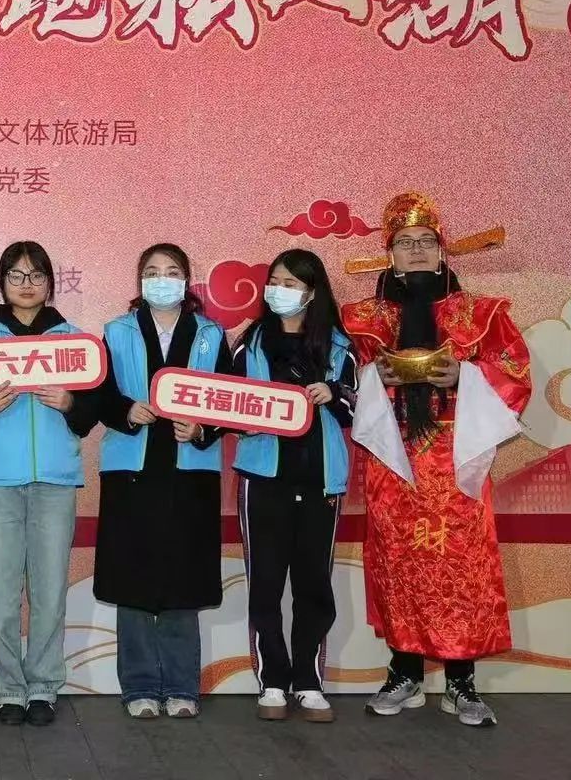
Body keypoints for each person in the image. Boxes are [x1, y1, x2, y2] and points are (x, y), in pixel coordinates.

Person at [342, 192, 530, 728]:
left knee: (460, 567)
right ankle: (403, 673)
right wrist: (373, 378)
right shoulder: (362, 319)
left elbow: (515, 372)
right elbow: (339, 382)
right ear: (390, 253)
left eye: (427, 241)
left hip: (457, 461)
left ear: (443, 250)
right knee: (398, 563)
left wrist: (464, 377)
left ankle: (460, 682)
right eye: (405, 243)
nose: (418, 250)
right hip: (394, 460)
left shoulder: (480, 314)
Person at [87, 243, 231, 720]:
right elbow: (99, 394)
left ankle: (183, 686)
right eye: (152, 271)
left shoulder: (211, 333)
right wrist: (126, 411)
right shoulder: (116, 331)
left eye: (171, 271)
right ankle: (140, 687)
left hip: (190, 472)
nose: (162, 279)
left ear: (186, 280)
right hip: (132, 469)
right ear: (139, 281)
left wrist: (204, 430)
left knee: (183, 578)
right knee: (132, 580)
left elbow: (230, 399)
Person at [0, 241, 97, 727]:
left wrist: (70, 403)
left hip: (55, 482)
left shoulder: (75, 342)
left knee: (49, 594)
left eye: (36, 275)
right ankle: (7, 689)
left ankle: (43, 686)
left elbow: (91, 414)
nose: (26, 284)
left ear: (50, 283)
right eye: (16, 276)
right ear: (1, 283)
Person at [228, 249, 357, 723]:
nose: (279, 290)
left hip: (320, 479)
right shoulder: (249, 342)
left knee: (313, 583)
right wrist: (243, 420)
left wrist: (333, 394)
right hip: (264, 479)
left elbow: (358, 406)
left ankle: (308, 680)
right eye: (274, 281)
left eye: (290, 283)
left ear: (312, 291)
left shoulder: (339, 344)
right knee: (264, 583)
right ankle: (272, 680)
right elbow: (227, 403)